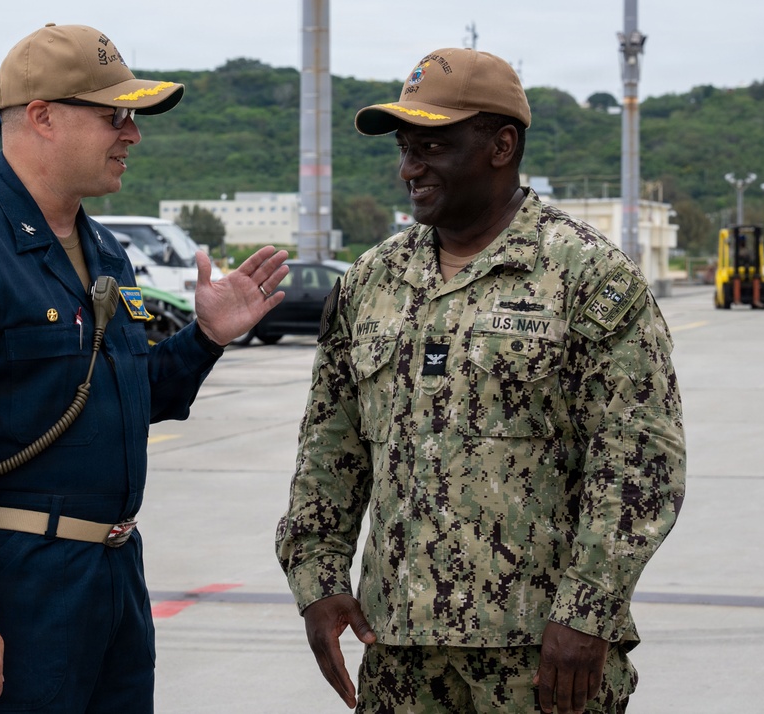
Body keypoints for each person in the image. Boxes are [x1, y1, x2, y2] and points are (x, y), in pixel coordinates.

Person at [0, 23, 288, 713]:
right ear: (41, 116)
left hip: (107, 578)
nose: (131, 134)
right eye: (114, 115)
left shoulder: (103, 253)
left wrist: (206, 338)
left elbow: (119, 395)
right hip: (13, 585)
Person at [275, 47, 685, 714]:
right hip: (399, 650)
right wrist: (317, 579)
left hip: (538, 657)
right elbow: (330, 448)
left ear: (501, 146)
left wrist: (588, 612)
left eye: (432, 146)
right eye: (405, 148)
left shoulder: (586, 277)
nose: (410, 168)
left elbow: (638, 464)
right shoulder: (370, 283)